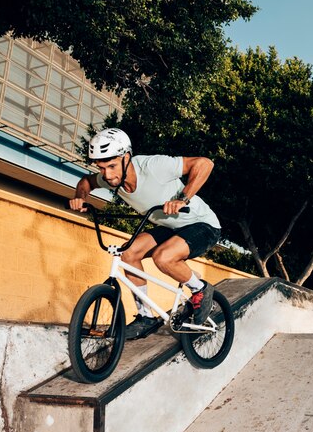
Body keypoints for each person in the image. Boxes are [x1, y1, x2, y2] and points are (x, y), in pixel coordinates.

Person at [69, 127, 221, 339]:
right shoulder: (111, 178)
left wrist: (182, 198)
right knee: (128, 253)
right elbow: (86, 182)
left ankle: (200, 288)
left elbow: (205, 163)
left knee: (163, 257)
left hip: (202, 225)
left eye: (112, 166)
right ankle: (145, 317)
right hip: (169, 227)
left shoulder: (152, 166)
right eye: (101, 168)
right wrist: (81, 197)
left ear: (126, 157)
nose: (108, 175)